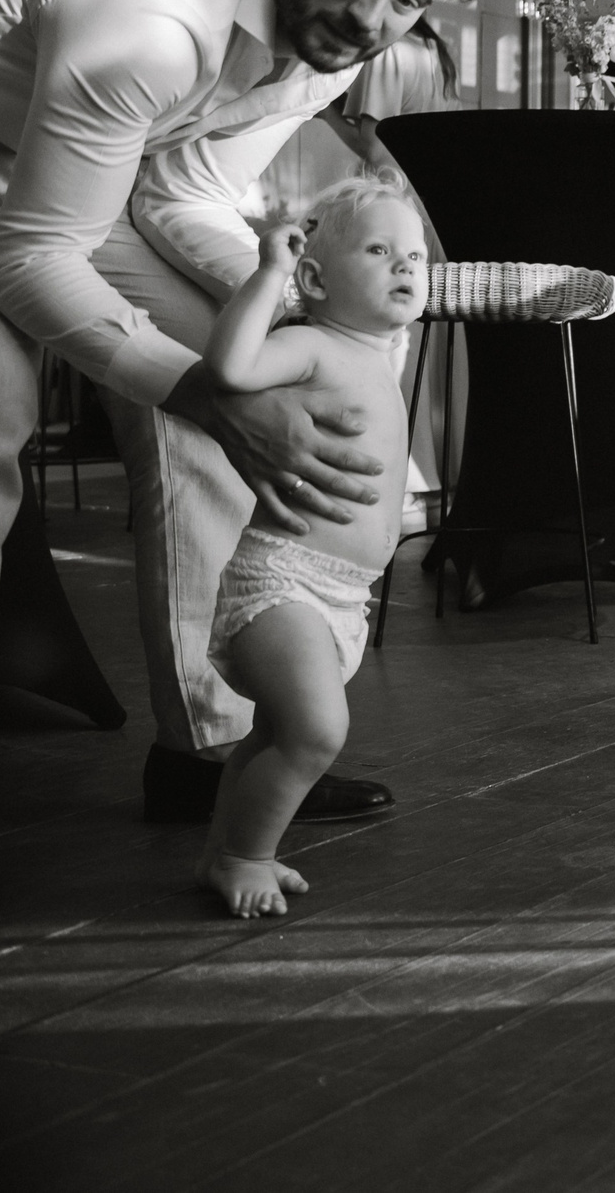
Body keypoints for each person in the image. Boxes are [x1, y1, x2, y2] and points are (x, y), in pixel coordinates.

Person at [0, 0, 494, 823]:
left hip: (68, 168)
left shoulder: (320, 44)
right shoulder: (157, 26)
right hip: (13, 164)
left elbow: (183, 195)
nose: (371, 18)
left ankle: (214, 746)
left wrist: (295, 315)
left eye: (406, 0)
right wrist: (199, 391)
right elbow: (30, 258)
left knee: (254, 380)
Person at [194, 175, 426, 917]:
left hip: (346, 596)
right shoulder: (310, 344)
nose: (405, 267)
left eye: (415, 256)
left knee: (272, 733)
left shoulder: (381, 347)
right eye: (381, 250)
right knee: (317, 730)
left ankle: (220, 850)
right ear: (317, 278)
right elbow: (229, 369)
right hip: (284, 580)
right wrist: (269, 271)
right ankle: (245, 853)